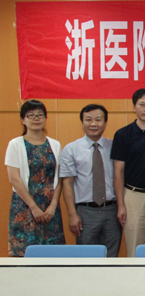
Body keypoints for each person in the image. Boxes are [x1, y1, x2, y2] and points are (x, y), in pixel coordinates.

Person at [59, 104, 121, 257]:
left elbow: (121, 177)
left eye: (98, 120)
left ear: (105, 123)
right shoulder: (71, 149)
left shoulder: (115, 147)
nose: (93, 124)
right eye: (88, 120)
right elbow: (67, 184)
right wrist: (72, 214)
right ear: (82, 122)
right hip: (85, 212)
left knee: (111, 256)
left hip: (112, 210)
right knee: (86, 257)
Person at [5, 100, 64, 256]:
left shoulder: (55, 144)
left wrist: (53, 205)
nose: (36, 118)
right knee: (24, 252)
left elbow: (59, 178)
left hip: (50, 207)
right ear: (23, 120)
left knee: (52, 254)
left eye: (40, 115)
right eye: (31, 115)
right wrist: (33, 207)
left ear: (45, 118)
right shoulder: (15, 144)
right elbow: (14, 179)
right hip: (25, 205)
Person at [111, 89, 145, 256]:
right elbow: (118, 172)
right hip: (133, 196)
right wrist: (121, 205)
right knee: (134, 248)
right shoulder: (122, 134)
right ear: (134, 107)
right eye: (142, 104)